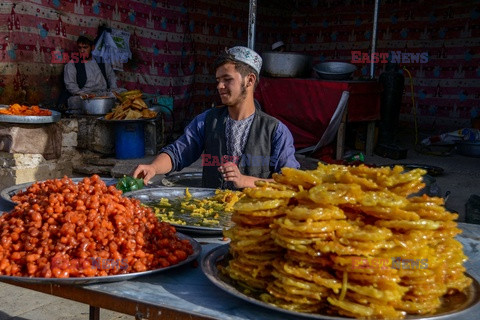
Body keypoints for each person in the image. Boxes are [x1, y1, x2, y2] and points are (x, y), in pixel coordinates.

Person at [133, 46, 300, 189]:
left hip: (253, 220)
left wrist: (245, 181)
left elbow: (290, 183)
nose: (220, 86)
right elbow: (177, 153)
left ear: (249, 80)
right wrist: (153, 167)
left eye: (227, 79)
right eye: (218, 80)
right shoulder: (207, 121)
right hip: (212, 217)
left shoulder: (275, 131)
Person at [62, 35, 119, 113]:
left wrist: (113, 90)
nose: (82, 51)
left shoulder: (102, 61)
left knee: (122, 93)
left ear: (92, 48)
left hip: (104, 94)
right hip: (85, 96)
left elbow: (111, 76)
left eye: (85, 47)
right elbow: (70, 85)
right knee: (74, 101)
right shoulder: (72, 64)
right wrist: (83, 95)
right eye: (80, 48)